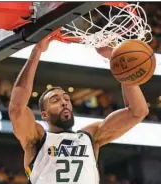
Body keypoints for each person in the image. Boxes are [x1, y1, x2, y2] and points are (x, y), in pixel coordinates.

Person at [9, 35, 149, 184]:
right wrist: (36, 51)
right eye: (55, 100)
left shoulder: (90, 137)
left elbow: (138, 112)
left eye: (66, 99)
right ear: (44, 114)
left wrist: (116, 61)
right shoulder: (36, 139)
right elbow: (17, 109)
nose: (64, 102)